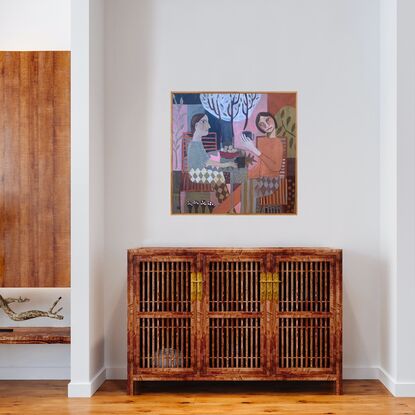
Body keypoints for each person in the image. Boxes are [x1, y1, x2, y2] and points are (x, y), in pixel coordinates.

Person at [187, 113, 236, 205]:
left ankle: (226, 203)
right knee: (218, 176)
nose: (209, 126)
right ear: (196, 125)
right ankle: (226, 205)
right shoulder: (194, 145)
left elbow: (205, 158)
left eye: (208, 122)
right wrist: (227, 164)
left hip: (200, 171)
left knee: (221, 172)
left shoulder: (197, 142)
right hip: (195, 175)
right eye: (204, 122)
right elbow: (206, 162)